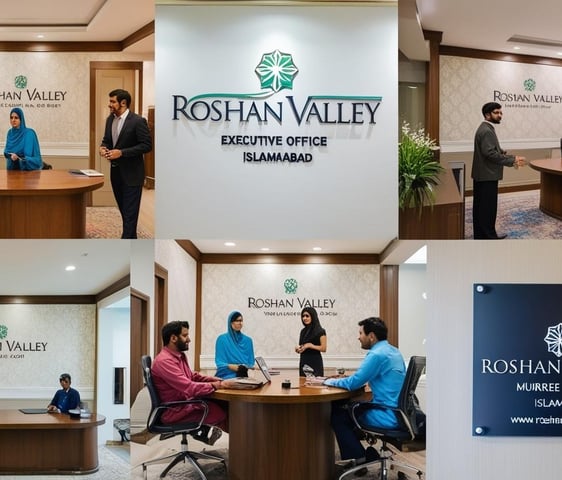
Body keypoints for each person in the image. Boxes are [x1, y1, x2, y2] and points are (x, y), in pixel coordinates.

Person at [324, 317, 405, 469]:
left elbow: (353, 383)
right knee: (350, 407)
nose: (358, 337)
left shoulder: (376, 355)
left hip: (387, 414)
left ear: (371, 336)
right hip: (400, 413)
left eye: (361, 333)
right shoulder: (394, 351)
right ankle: (362, 451)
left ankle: (360, 458)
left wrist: (328, 381)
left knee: (338, 414)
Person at [151, 320, 236, 445]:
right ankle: (240, 450)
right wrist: (218, 385)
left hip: (185, 403)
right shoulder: (164, 361)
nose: (189, 339)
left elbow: (192, 376)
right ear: (173, 338)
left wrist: (218, 380)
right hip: (175, 411)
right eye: (185, 336)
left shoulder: (179, 355)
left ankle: (237, 446)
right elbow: (189, 387)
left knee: (225, 403)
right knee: (222, 410)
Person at [99, 88, 152, 239]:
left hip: (132, 175)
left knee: (130, 214)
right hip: (115, 174)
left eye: (112, 101)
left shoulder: (137, 121)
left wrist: (122, 152)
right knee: (125, 211)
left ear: (123, 103)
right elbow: (107, 140)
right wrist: (103, 148)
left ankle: (127, 244)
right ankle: (131, 238)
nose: (109, 104)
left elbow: (147, 146)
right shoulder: (110, 119)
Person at [472, 102, 526, 239]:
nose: (500, 115)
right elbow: (490, 154)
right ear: (487, 114)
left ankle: (481, 235)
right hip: (487, 175)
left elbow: (490, 150)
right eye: (496, 113)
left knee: (481, 207)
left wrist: (502, 152)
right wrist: (512, 159)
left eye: (501, 113)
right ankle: (489, 236)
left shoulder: (486, 128)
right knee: (488, 208)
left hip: (483, 174)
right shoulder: (486, 130)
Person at [215, 311, 255, 379]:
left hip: (242, 375)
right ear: (231, 322)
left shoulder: (248, 341)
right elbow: (219, 362)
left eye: (241, 321)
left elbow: (250, 363)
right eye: (237, 321)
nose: (240, 323)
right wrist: (231, 366)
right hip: (225, 375)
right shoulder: (222, 339)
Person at [295, 306, 327, 376]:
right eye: (303, 316)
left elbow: (324, 348)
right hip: (304, 362)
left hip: (315, 362)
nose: (304, 318)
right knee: (303, 384)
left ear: (313, 316)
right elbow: (302, 346)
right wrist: (298, 349)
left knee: (315, 385)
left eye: (307, 316)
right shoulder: (303, 331)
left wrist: (310, 345)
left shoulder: (321, 331)